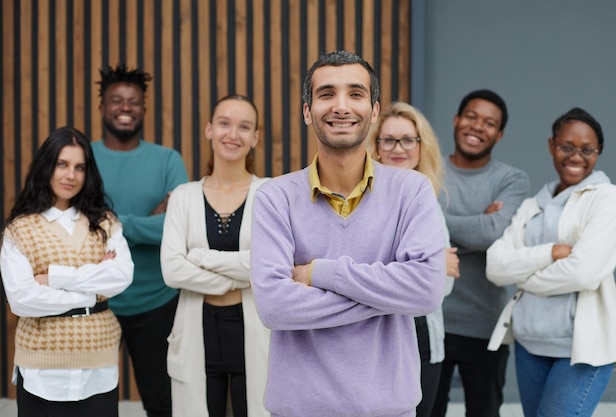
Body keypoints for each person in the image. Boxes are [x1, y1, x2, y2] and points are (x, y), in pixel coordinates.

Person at [250, 50, 447, 417]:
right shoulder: (274, 198)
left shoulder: (413, 191)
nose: (341, 106)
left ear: (374, 111)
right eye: (326, 94)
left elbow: (426, 290)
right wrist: (389, 294)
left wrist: (319, 273)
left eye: (355, 94)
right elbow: (275, 306)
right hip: (299, 409)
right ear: (307, 111)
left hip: (390, 409)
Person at [486, 107, 616, 417]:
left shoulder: (605, 198)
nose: (576, 156)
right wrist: (549, 253)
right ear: (552, 145)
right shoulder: (533, 204)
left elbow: (585, 273)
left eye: (587, 150)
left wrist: (523, 277)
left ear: (598, 152)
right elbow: (495, 266)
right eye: (566, 147)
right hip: (529, 345)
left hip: (580, 351)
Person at [0, 127, 133, 417]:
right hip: (40, 369)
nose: (70, 175)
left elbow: (122, 276)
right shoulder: (20, 229)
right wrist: (90, 294)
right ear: (46, 166)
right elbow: (22, 299)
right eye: (62, 164)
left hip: (98, 363)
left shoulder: (106, 222)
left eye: (79, 167)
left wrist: (55, 279)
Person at [160, 94, 271, 417]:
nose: (232, 134)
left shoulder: (269, 194)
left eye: (244, 126)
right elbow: (172, 271)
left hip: (253, 329)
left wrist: (200, 257)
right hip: (198, 328)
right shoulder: (184, 197)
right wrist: (237, 278)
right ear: (209, 130)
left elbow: (271, 266)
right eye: (224, 123)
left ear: (255, 138)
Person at [91, 64, 189, 417]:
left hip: (156, 302)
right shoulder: (83, 160)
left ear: (144, 108)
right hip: (95, 301)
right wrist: (147, 222)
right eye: (116, 100)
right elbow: (76, 226)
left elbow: (178, 227)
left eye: (133, 101)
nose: (125, 107)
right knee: (93, 402)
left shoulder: (167, 160)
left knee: (162, 402)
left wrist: (109, 221)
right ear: (102, 107)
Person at [431, 89, 530, 417]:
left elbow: (492, 233)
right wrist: (480, 224)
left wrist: (436, 227)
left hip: (486, 325)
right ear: (456, 120)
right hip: (433, 319)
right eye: (471, 117)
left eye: (489, 123)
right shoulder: (429, 172)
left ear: (499, 134)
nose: (477, 127)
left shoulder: (512, 179)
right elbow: (409, 236)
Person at [366, 101, 459, 417]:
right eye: (389, 139)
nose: (398, 148)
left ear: (421, 147)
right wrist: (425, 268)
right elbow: (357, 270)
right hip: (375, 339)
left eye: (408, 139)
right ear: (376, 147)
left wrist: (423, 272)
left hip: (424, 339)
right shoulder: (362, 200)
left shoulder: (429, 201)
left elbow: (442, 286)